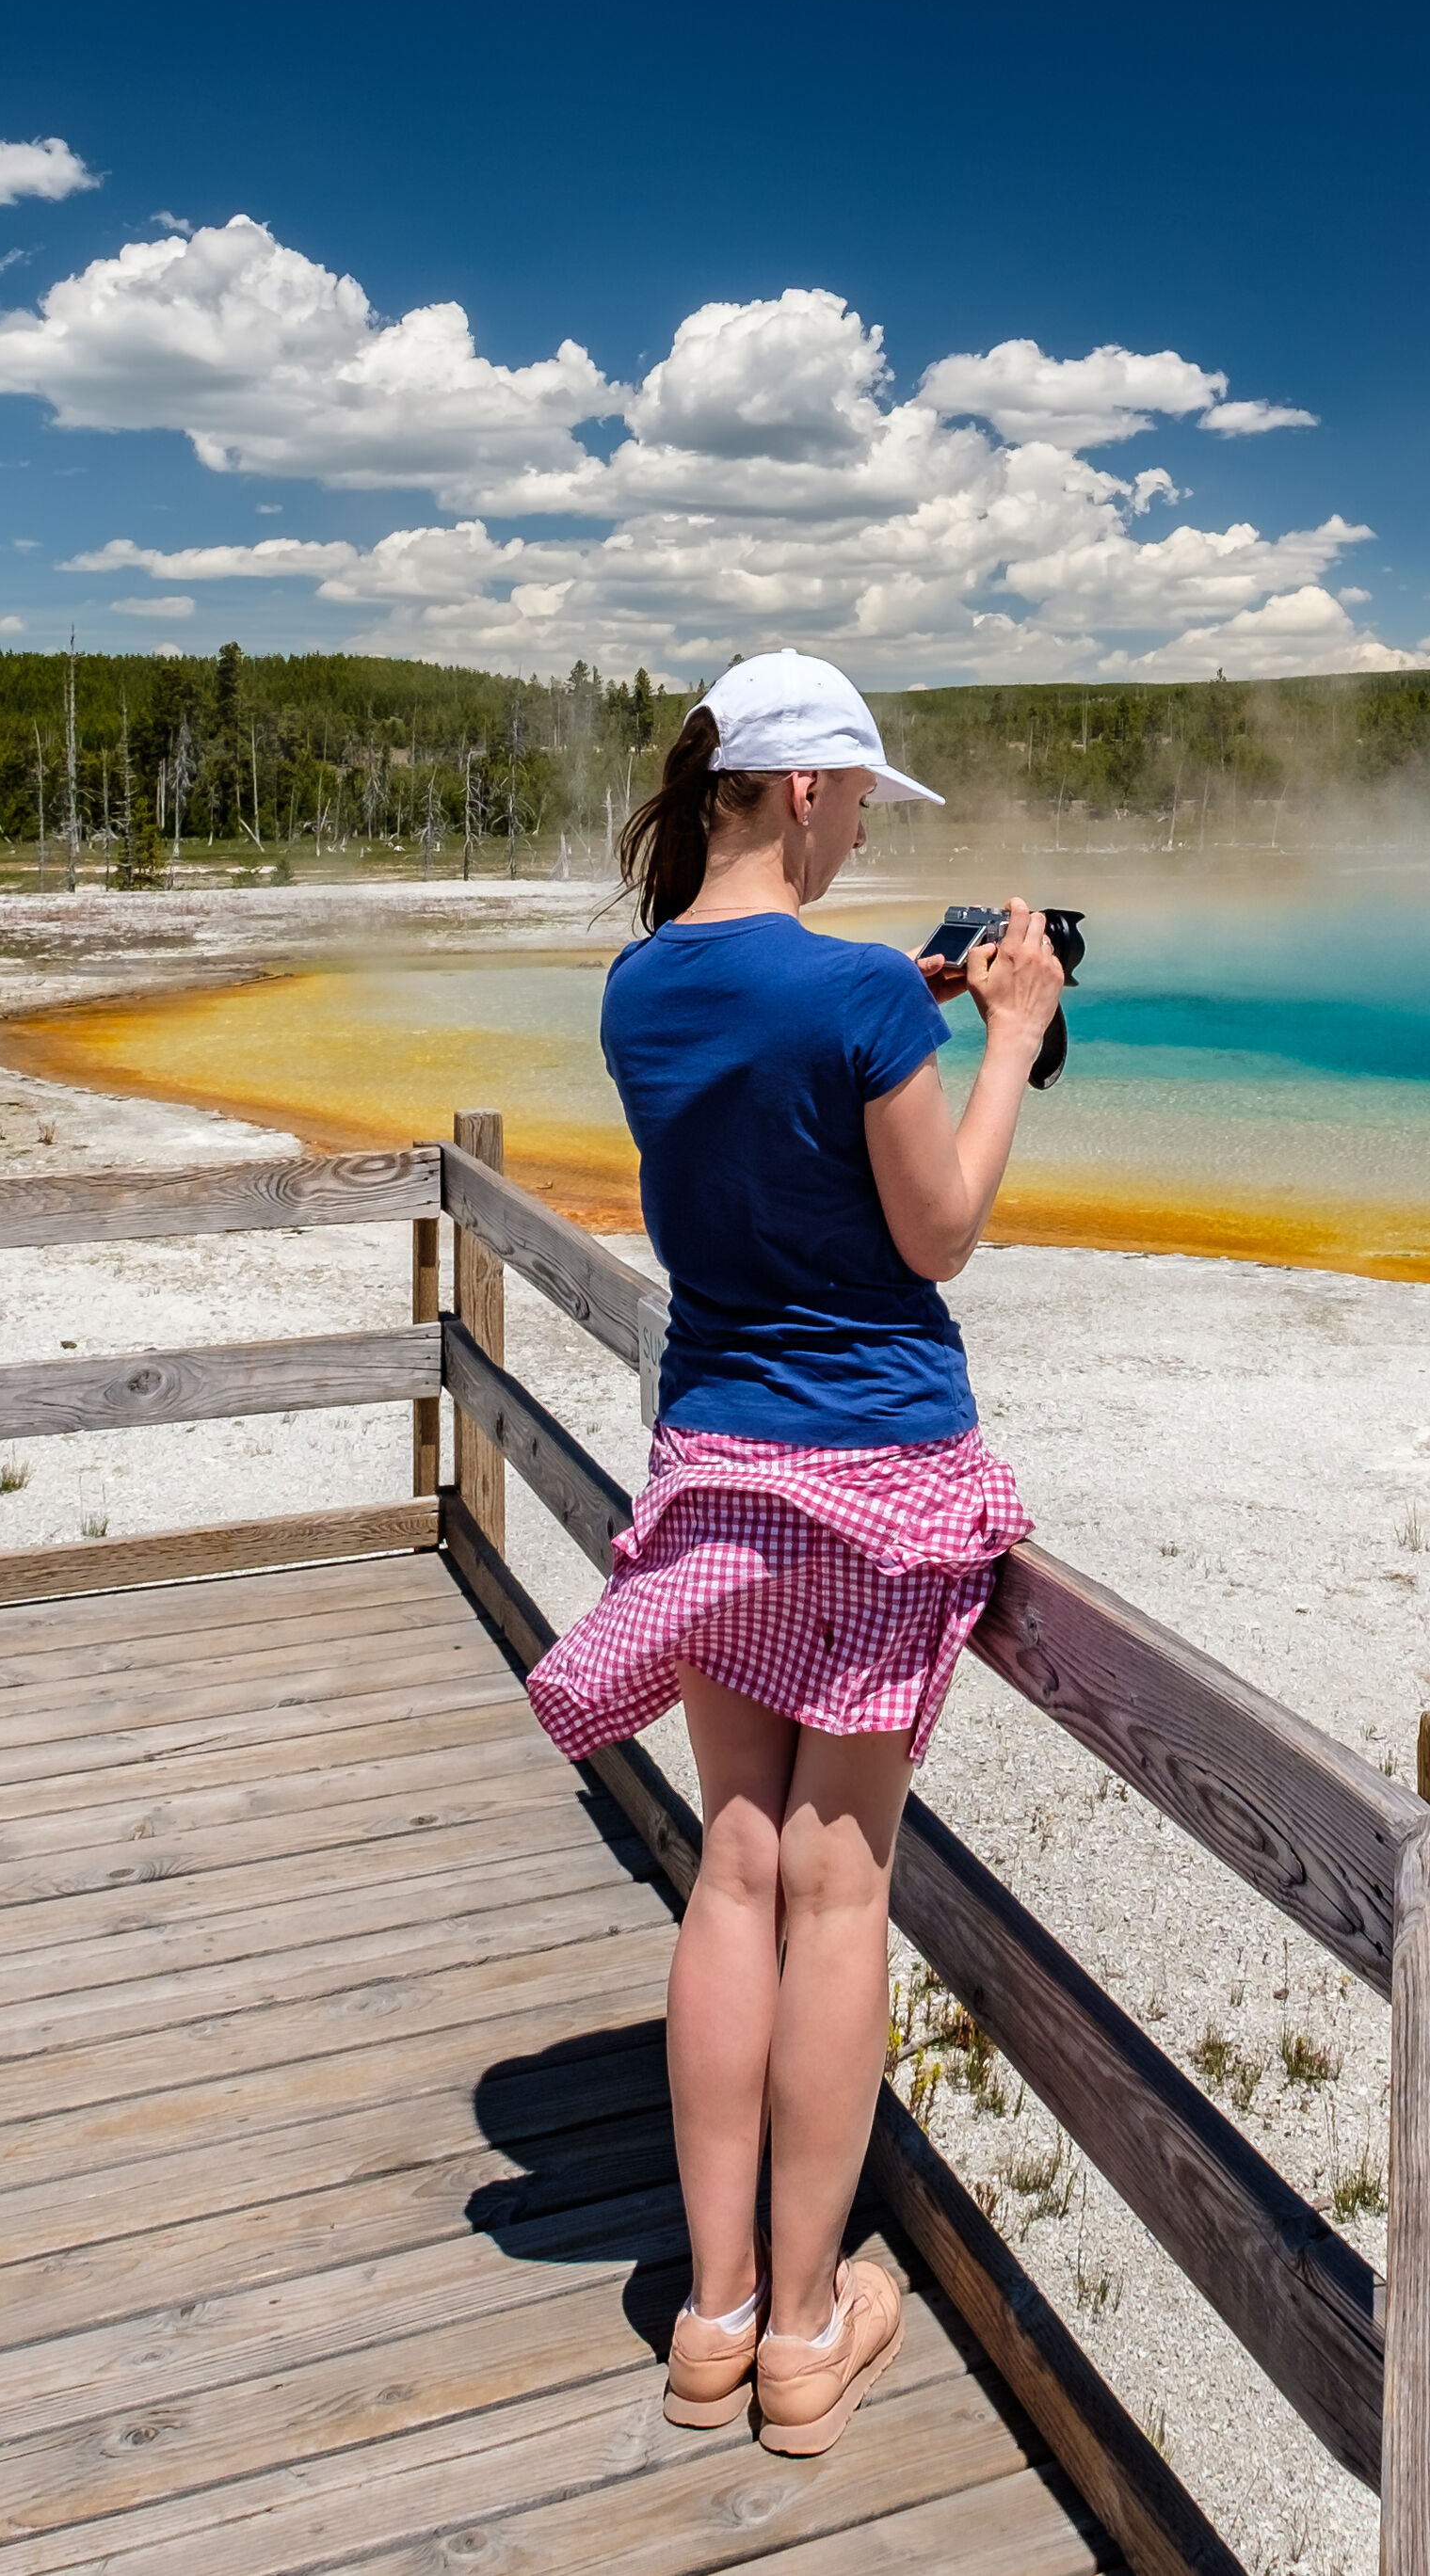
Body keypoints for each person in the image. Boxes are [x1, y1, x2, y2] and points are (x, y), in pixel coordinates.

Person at [519, 649, 1067, 2459]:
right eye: (854, 807)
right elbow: (940, 1228)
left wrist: (884, 1007)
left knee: (732, 1874)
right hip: (880, 1478)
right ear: (812, 791)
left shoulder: (641, 987)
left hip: (716, 1467)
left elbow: (765, 1094)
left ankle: (714, 2315)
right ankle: (815, 2330)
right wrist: (995, 1030)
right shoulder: (859, 1001)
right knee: (839, 1891)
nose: (851, 841)